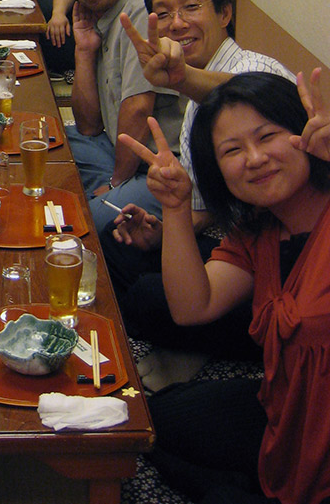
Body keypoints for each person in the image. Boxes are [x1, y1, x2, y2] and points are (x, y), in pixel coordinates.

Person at [121, 72, 330, 504]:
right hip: (288, 406)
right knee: (148, 423)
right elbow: (192, 307)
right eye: (232, 150)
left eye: (268, 136)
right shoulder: (262, 231)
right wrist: (176, 207)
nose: (254, 159)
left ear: (303, 132)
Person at [101, 0, 291, 380]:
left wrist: (183, 78)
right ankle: (184, 338)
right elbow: (206, 209)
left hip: (278, 264)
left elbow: (261, 92)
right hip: (236, 242)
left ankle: (209, 352)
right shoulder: (198, 82)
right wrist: (163, 231)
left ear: (224, 12)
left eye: (191, 7)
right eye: (163, 13)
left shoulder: (249, 69)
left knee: (149, 298)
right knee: (117, 245)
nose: (177, 24)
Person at [51, 0, 183, 230]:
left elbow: (138, 110)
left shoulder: (139, 14)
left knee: (80, 222)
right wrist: (83, 50)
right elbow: (87, 126)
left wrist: (115, 183)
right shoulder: (103, 19)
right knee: (47, 144)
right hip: (112, 149)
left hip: (158, 169)